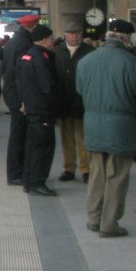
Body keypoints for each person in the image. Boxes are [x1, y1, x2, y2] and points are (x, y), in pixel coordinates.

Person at [75, 19, 136, 238]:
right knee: (116, 176)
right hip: (121, 126)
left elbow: (80, 89)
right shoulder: (133, 63)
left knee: (97, 174)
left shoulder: (86, 61)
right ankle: (109, 224)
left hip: (93, 124)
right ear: (126, 38)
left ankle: (93, 218)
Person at [17, 25, 59, 196]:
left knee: (32, 146)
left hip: (32, 108)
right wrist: (53, 106)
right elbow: (47, 86)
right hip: (43, 110)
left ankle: (28, 181)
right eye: (51, 38)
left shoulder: (26, 56)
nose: (53, 41)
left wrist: (24, 102)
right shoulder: (42, 58)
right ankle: (37, 182)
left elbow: (20, 82)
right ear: (44, 40)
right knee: (44, 147)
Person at [2, 14, 43, 186]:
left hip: (12, 92)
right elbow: (21, 73)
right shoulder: (24, 44)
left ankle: (16, 172)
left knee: (17, 134)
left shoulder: (13, 42)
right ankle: (15, 173)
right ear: (32, 26)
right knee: (19, 135)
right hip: (18, 95)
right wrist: (24, 99)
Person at [53, 20, 93, 182]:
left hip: (82, 102)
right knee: (66, 137)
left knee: (84, 138)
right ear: (65, 36)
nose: (75, 37)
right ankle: (69, 168)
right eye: (71, 34)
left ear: (81, 35)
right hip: (63, 102)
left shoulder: (90, 52)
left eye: (77, 34)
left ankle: (86, 169)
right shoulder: (57, 52)